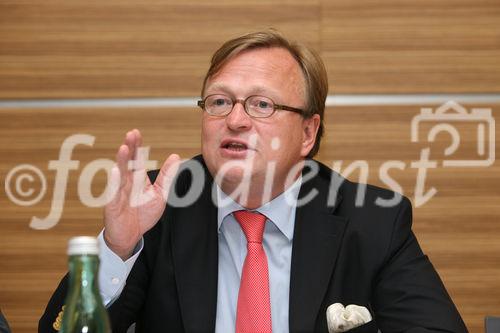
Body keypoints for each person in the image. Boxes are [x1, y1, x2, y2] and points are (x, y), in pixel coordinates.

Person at [40, 30, 468, 333]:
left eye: (261, 104)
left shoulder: (372, 221)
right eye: (220, 101)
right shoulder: (158, 206)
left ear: (307, 133)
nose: (236, 119)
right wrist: (117, 250)